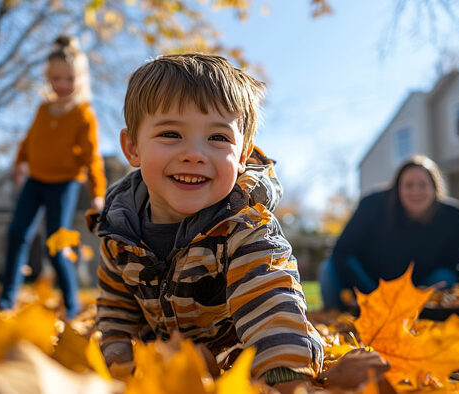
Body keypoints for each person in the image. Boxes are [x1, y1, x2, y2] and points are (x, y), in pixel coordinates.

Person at [89, 53, 330, 391]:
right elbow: (116, 309)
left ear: (243, 154)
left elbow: (272, 302)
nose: (194, 154)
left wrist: (284, 376)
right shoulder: (120, 231)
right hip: (162, 364)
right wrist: (117, 361)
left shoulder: (244, 227)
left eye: (218, 138)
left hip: (236, 359)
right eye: (171, 134)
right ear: (132, 148)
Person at [0, 36, 106, 318]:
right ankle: (6, 300)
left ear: (80, 78)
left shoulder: (84, 115)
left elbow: (92, 158)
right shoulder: (43, 109)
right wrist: (20, 161)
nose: (62, 85)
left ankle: (71, 304)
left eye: (69, 78)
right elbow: (30, 139)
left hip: (65, 184)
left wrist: (97, 193)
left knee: (56, 244)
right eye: (56, 78)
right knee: (17, 234)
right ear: (48, 78)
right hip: (35, 182)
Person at [319, 155, 459, 311]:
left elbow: (450, 264)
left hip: (420, 290)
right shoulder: (372, 204)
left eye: (423, 185)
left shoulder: (453, 215)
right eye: (409, 185)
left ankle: (421, 313)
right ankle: (340, 316)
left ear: (435, 188)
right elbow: (343, 251)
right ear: (397, 188)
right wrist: (374, 295)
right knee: (328, 269)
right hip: (367, 288)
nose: (416, 191)